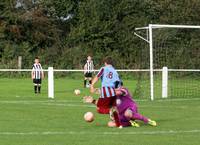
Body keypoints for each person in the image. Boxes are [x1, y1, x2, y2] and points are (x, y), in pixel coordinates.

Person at [84, 87, 157, 128]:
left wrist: (102, 92)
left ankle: (148, 120)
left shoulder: (123, 90)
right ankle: (130, 122)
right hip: (121, 114)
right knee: (110, 124)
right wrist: (92, 101)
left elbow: (118, 92)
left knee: (127, 113)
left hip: (131, 108)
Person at [90, 57, 122, 127]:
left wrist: (92, 85)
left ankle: (111, 112)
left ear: (105, 63)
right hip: (113, 92)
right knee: (113, 107)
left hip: (105, 91)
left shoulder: (103, 69)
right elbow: (118, 84)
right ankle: (119, 123)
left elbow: (97, 77)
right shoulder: (115, 72)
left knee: (99, 108)